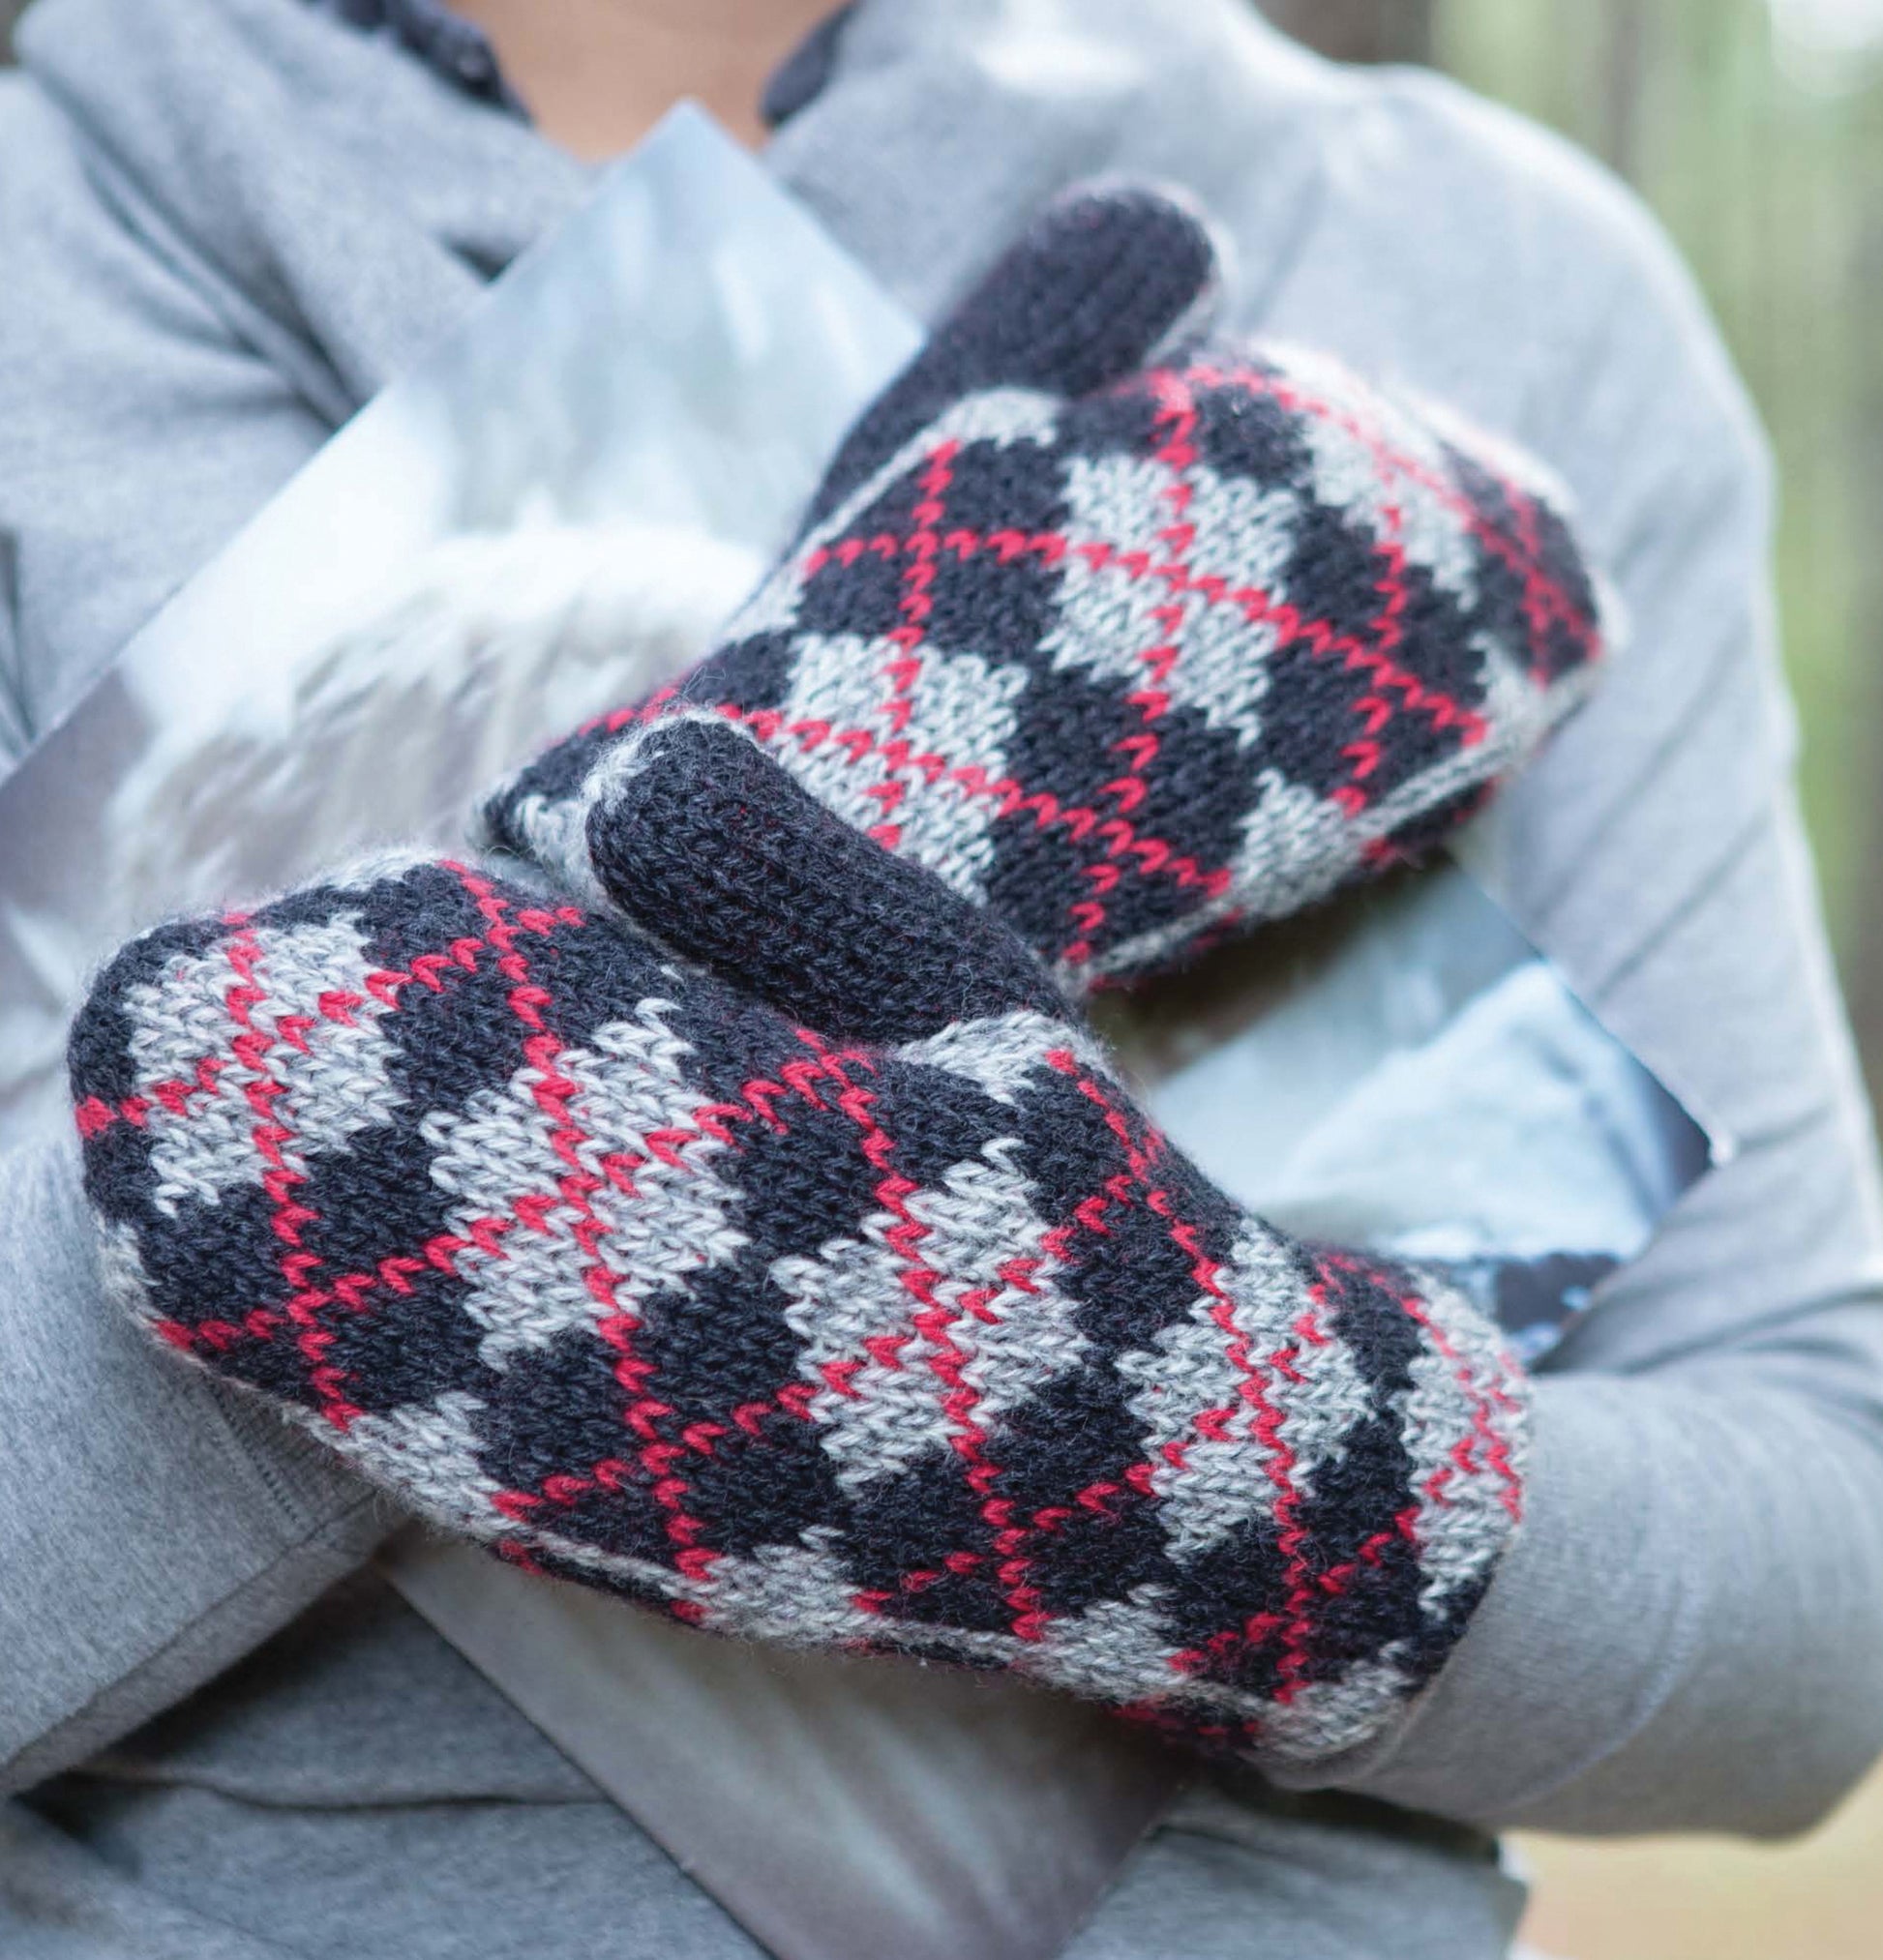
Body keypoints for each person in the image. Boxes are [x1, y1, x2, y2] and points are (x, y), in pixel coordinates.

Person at [4, 3, 1882, 1958]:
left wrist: (1204, 1457)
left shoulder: (1469, 258)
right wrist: (382, 1162)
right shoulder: (51, 247)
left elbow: (1820, 1598)